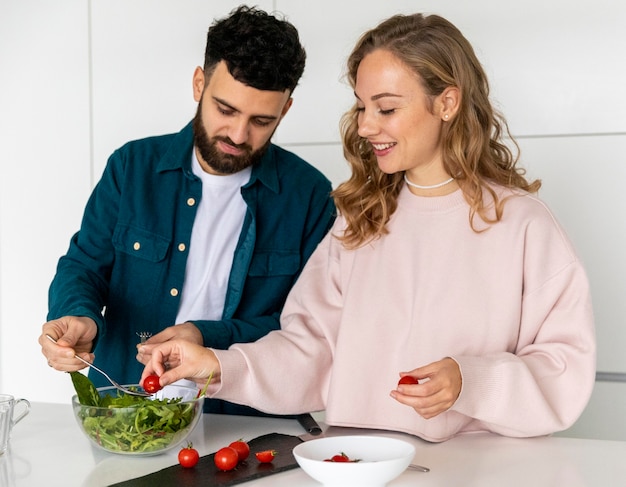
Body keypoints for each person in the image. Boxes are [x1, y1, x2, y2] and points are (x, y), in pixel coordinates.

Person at [138, 12, 596, 441]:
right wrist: (217, 366)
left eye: (387, 108)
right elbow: (310, 350)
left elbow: (564, 365)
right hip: (355, 462)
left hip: (475, 471)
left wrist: (469, 381)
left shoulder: (522, 224)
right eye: (361, 107)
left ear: (448, 102)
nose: (366, 126)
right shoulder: (358, 222)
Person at [39, 5, 335, 416]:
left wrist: (204, 334)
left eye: (261, 121)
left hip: (243, 419)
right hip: (123, 407)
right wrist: (77, 316)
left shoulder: (310, 196)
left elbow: (304, 328)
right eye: (226, 110)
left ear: (285, 110)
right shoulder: (132, 167)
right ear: (199, 83)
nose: (237, 134)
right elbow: (84, 266)